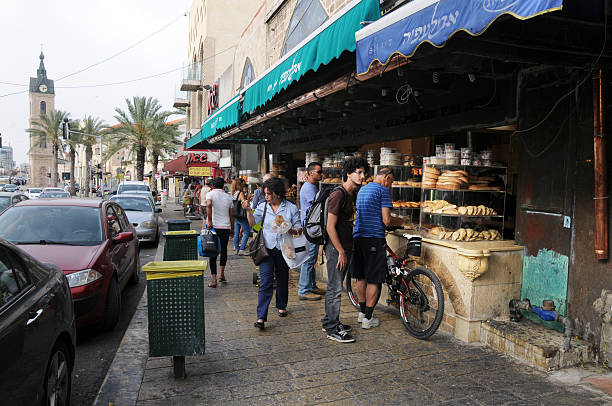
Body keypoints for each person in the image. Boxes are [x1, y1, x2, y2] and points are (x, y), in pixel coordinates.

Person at [243, 177, 301, 329]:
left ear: (277, 193)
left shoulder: (291, 208)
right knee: (266, 281)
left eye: (269, 194)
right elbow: (253, 223)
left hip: (284, 248)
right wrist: (249, 210)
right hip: (266, 248)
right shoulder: (263, 206)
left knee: (282, 278)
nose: (266, 196)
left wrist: (290, 229)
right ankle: (261, 316)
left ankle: (281, 305)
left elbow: (299, 228)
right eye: (265, 194)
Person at [322, 157, 367, 343]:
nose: (363, 176)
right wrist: (340, 251)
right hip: (336, 249)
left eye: (364, 172)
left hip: (346, 247)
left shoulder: (352, 194)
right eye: (359, 172)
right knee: (334, 288)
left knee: (336, 286)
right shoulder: (338, 195)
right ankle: (331, 328)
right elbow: (329, 227)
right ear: (348, 173)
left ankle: (331, 320)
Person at [352, 166, 403, 329]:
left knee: (361, 277)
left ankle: (362, 313)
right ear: (386, 178)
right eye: (392, 182)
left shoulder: (362, 190)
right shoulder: (383, 191)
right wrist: (401, 222)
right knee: (374, 278)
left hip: (358, 237)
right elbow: (386, 220)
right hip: (374, 238)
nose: (391, 186)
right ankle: (368, 318)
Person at [298, 161, 325, 301]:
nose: (321, 174)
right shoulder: (309, 188)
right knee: (309, 259)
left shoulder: (311, 186)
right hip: (311, 228)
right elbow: (316, 206)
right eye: (319, 172)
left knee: (312, 258)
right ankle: (304, 289)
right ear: (310, 173)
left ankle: (311, 285)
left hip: (312, 227)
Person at [204, 177, 234, 288]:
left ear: (213, 185)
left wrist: (210, 221)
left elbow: (208, 205)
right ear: (223, 185)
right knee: (224, 250)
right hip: (225, 227)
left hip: (214, 227)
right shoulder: (228, 197)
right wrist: (232, 229)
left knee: (212, 252)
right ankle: (222, 274)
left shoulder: (210, 194)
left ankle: (213, 280)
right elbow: (231, 215)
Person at [231, 179, 251, 255]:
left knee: (236, 232)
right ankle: (242, 249)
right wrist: (248, 199)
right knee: (246, 232)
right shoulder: (240, 193)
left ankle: (236, 248)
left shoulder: (233, 193)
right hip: (242, 216)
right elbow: (244, 204)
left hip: (236, 215)